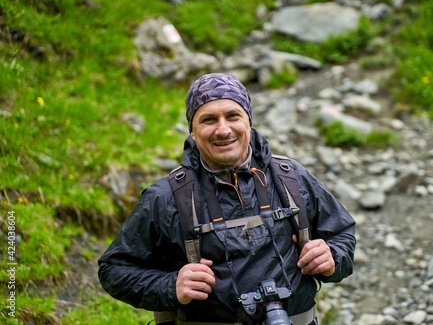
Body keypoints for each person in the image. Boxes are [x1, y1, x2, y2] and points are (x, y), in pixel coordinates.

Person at [98, 73, 356, 325]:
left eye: (233, 116)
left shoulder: (291, 178)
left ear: (248, 121)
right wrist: (170, 286)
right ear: (193, 131)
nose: (223, 130)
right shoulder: (165, 198)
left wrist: (331, 257)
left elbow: (342, 234)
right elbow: (114, 270)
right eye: (208, 119)